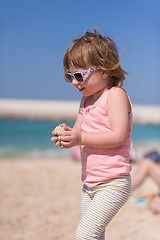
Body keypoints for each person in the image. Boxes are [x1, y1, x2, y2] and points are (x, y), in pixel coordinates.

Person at [51, 29, 132, 239]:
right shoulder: (86, 100)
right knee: (95, 236)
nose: (75, 82)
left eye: (80, 75)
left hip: (113, 182)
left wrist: (81, 138)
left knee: (84, 235)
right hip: (89, 183)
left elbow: (118, 136)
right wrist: (67, 137)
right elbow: (79, 132)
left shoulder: (115, 95)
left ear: (105, 70)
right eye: (70, 76)